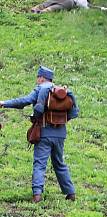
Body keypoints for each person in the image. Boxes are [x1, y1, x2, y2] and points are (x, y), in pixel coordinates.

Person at [0, 66, 79, 202]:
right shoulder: (63, 92)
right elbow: (73, 113)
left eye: (38, 77)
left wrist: (4, 103)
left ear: (41, 77)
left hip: (43, 132)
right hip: (60, 134)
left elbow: (24, 101)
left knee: (40, 164)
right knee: (59, 163)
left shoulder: (41, 89)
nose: (37, 80)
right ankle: (70, 193)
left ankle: (37, 195)